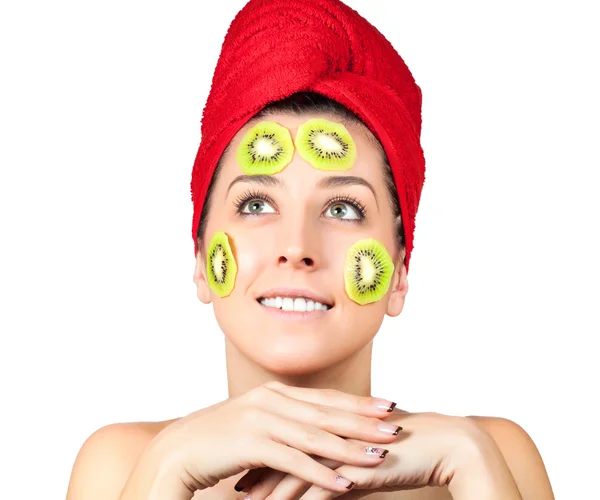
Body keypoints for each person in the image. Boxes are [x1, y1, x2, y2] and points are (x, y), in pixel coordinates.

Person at [66, 1, 555, 500]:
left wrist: (472, 464)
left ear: (400, 273)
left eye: (342, 209)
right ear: (198, 260)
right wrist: (166, 471)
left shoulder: (490, 455)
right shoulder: (125, 465)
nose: (297, 247)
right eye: (256, 204)